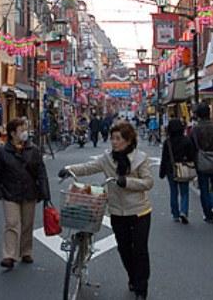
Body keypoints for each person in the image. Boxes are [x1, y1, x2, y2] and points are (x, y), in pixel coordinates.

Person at [59, 122, 153, 300]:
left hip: (140, 211)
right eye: (112, 138)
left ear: (128, 140)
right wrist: (69, 170)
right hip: (117, 212)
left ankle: (141, 289)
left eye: (118, 139)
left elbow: (148, 182)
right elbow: (89, 167)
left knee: (140, 249)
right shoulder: (107, 158)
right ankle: (133, 278)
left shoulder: (141, 158)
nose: (114, 142)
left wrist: (127, 182)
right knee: (124, 249)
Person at [0, 118, 50, 269]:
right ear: (12, 133)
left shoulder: (33, 149)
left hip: (29, 191)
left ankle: (25, 251)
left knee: (27, 223)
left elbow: (41, 172)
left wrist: (45, 193)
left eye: (25, 129)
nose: (25, 133)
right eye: (21, 130)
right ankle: (9, 255)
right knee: (12, 223)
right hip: (10, 192)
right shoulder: (3, 151)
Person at [190, 103, 213, 223]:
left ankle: (208, 214)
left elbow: (192, 147)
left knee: (204, 188)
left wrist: (193, 161)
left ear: (197, 115)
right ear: (209, 112)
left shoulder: (195, 129)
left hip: (201, 160)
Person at [160, 118, 195, 224]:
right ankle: (184, 211)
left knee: (173, 191)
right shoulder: (186, 140)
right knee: (184, 192)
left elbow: (164, 157)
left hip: (171, 169)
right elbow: (191, 156)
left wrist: (162, 172)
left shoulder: (168, 142)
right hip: (183, 168)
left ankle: (175, 213)